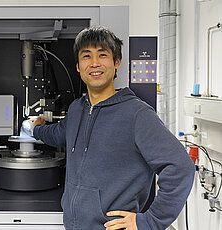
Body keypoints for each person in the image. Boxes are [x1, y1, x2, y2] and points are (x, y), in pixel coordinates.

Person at [32, 26, 195, 230]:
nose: (94, 63)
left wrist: (149, 221)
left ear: (116, 62)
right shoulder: (76, 110)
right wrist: (36, 129)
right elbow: (59, 134)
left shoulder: (137, 114)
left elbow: (181, 168)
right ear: (78, 66)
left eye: (103, 55)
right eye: (86, 56)